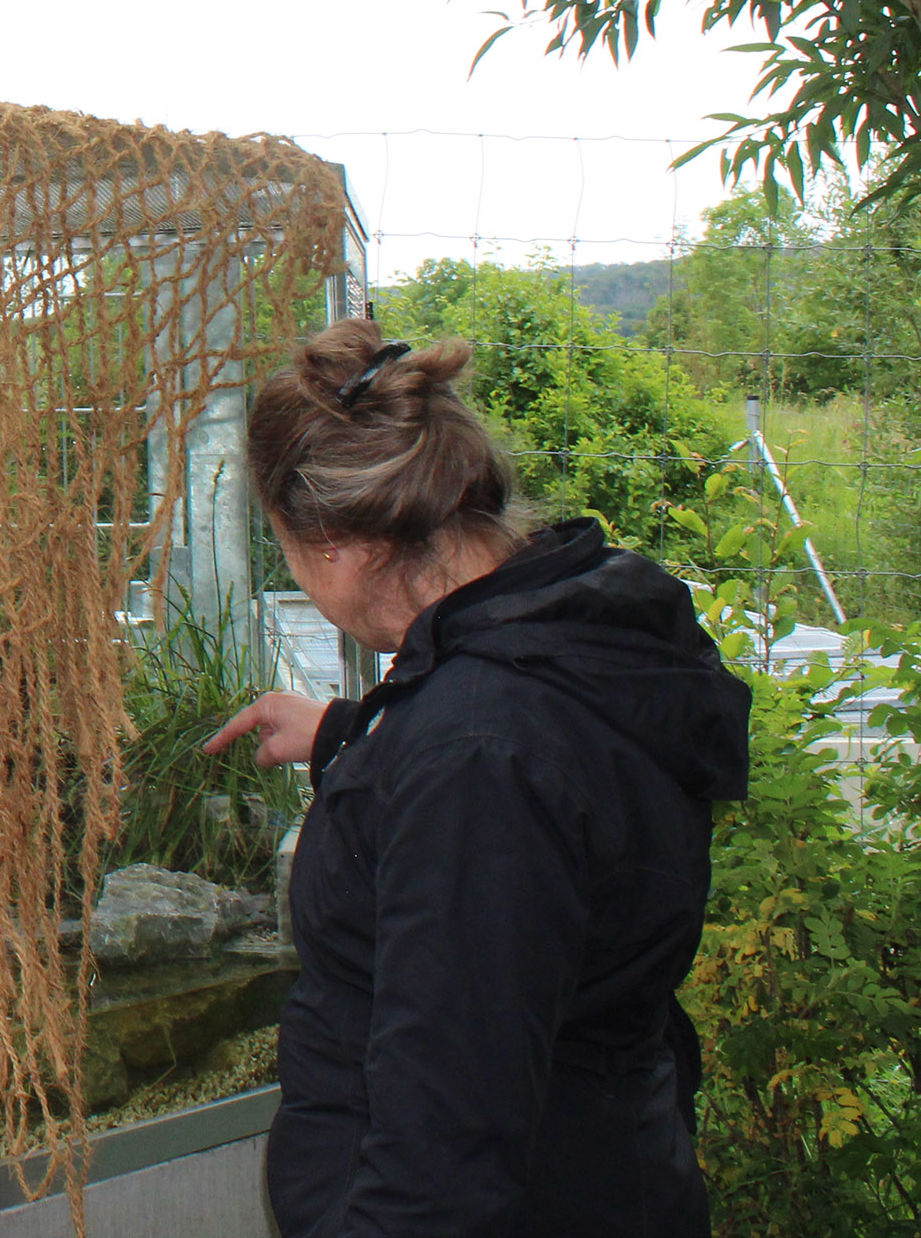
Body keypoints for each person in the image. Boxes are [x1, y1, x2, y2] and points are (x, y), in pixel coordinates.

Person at [206, 318, 749, 1238]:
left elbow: (445, 1152)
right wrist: (351, 735)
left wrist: (414, 753)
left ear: (333, 539)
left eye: (285, 548)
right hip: (608, 1169)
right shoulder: (570, 640)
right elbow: (554, 819)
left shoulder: (474, 756)